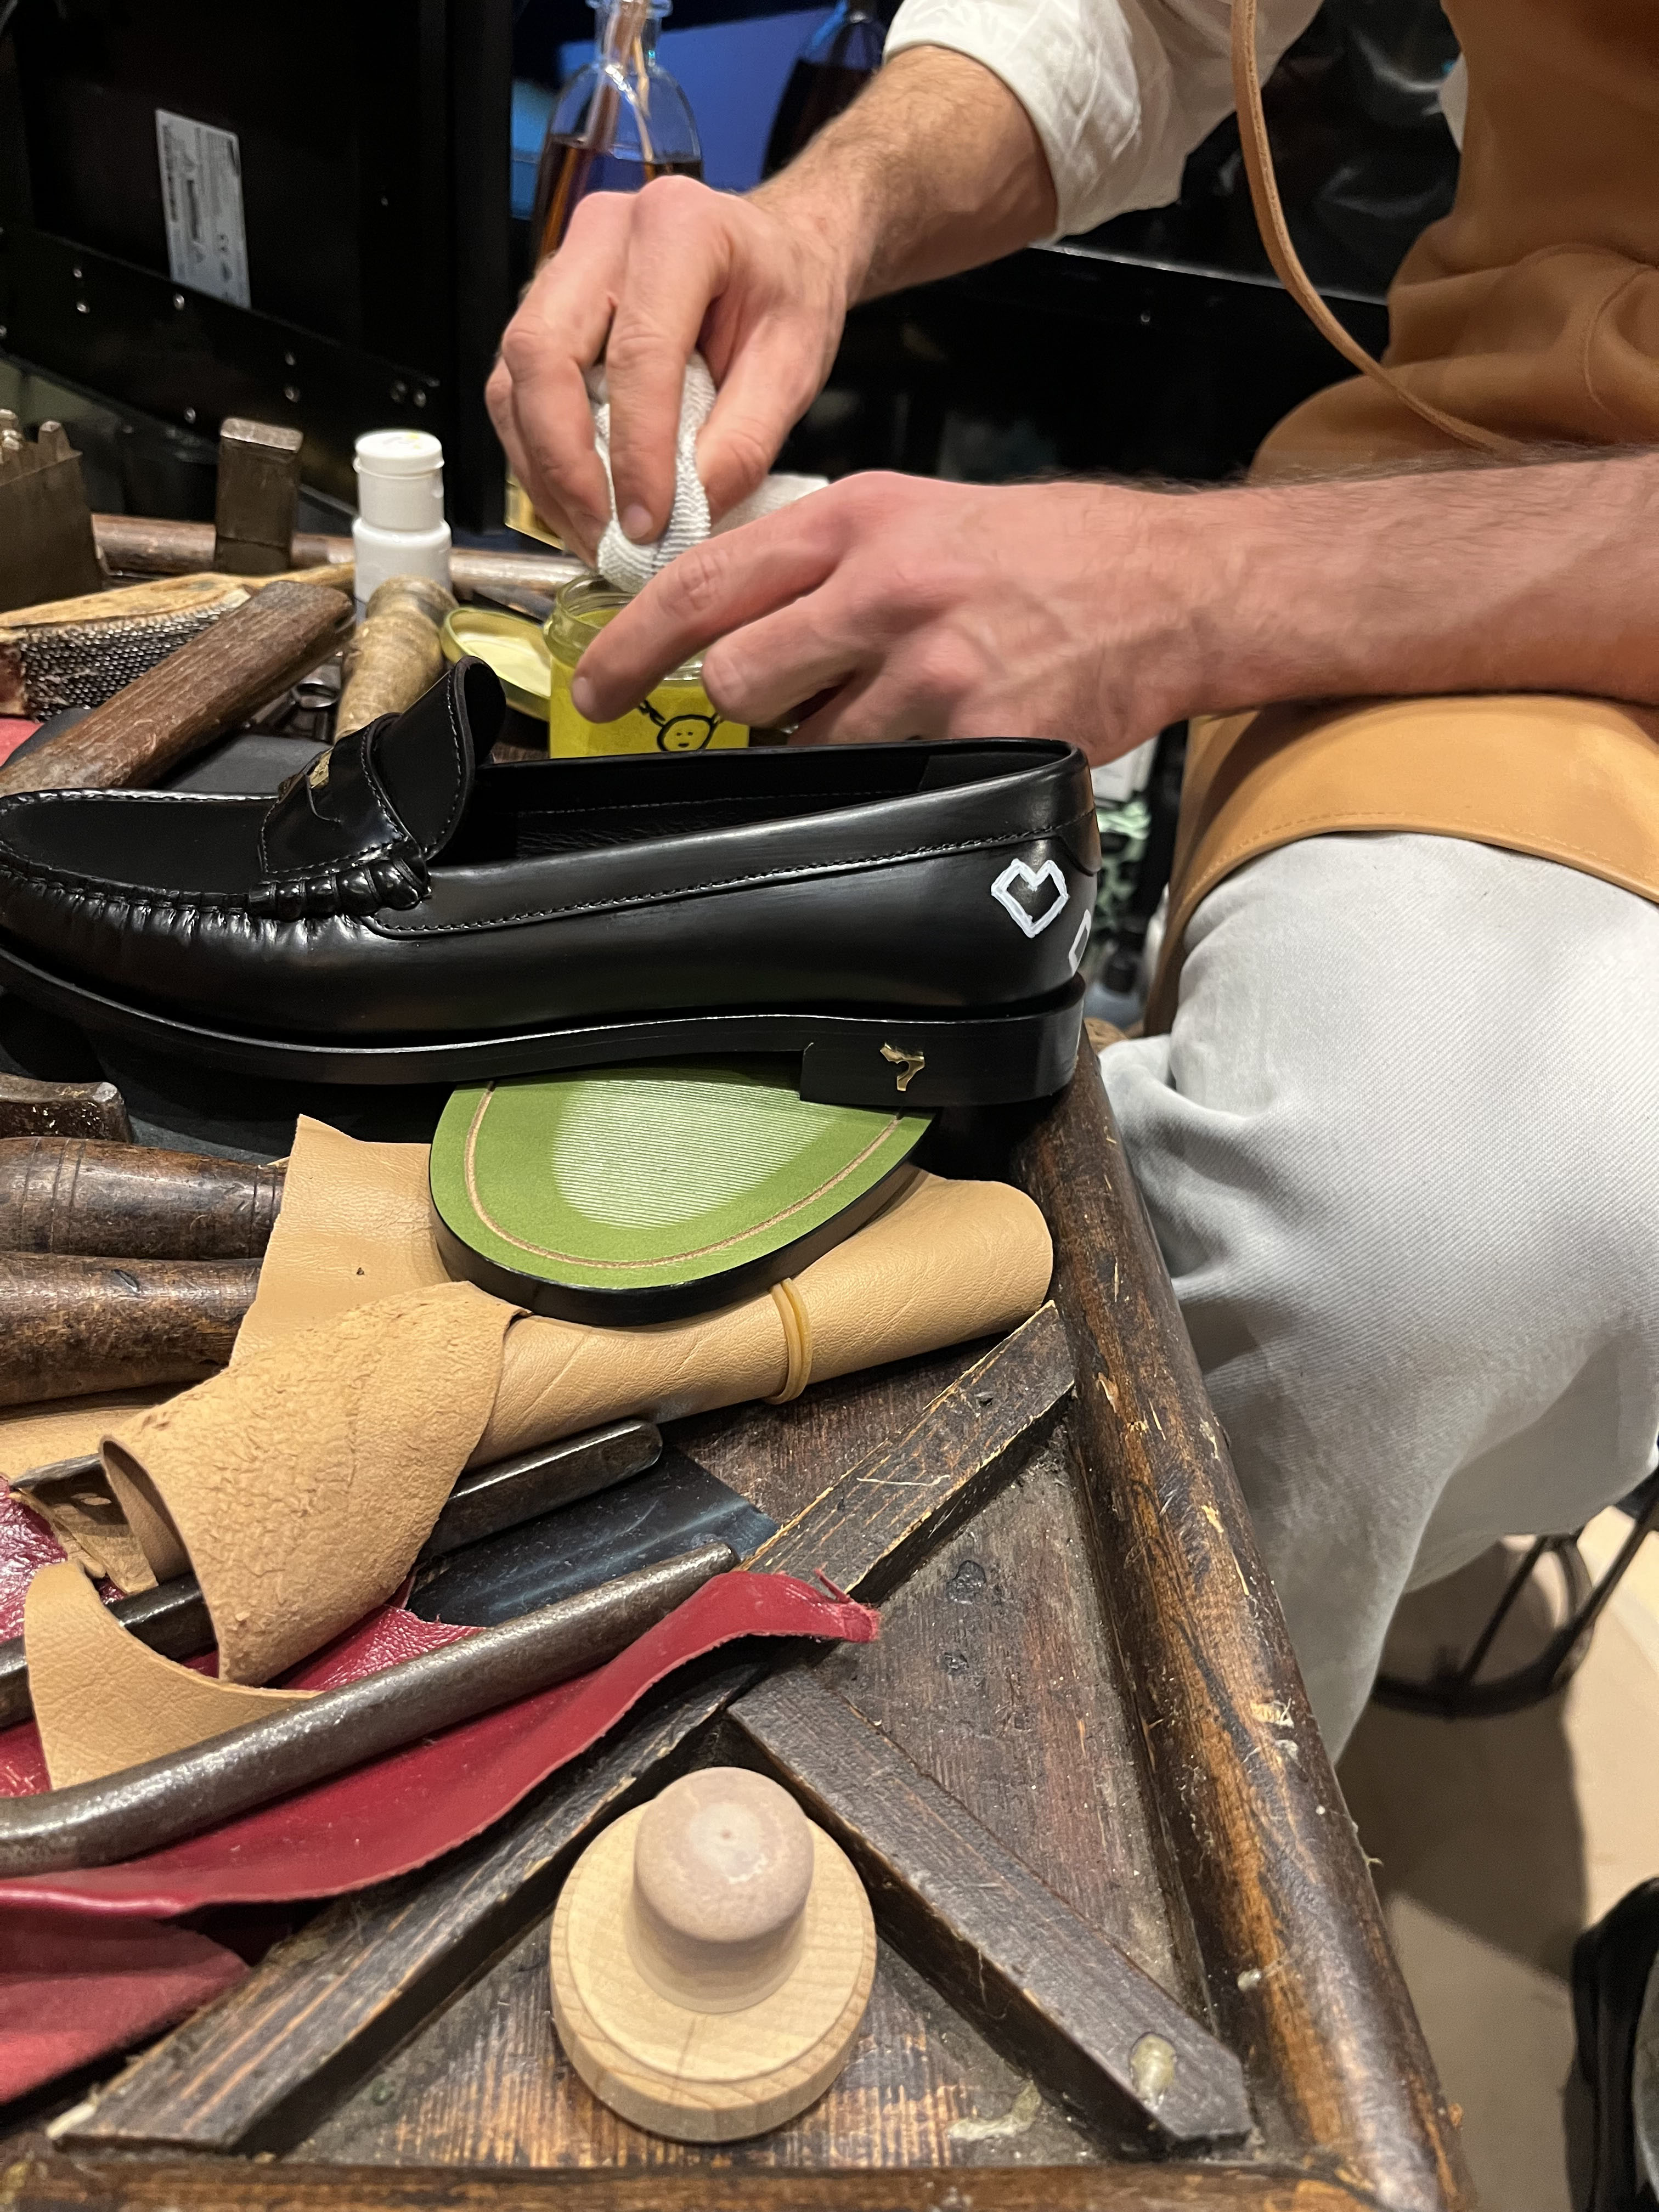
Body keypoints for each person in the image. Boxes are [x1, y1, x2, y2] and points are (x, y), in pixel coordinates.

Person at [487, 0, 1659, 1753]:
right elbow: (1151, 17)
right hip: (1493, 454)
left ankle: (1109, 1800)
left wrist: (1189, 590)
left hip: (1538, 576)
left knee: (1404, 1247)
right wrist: (822, 215)